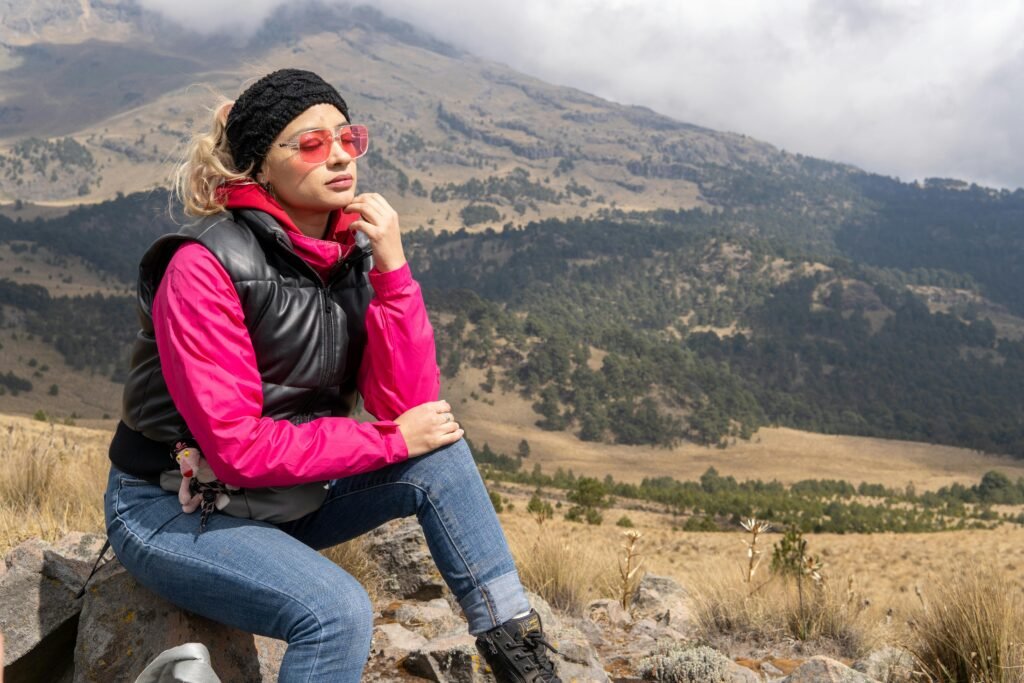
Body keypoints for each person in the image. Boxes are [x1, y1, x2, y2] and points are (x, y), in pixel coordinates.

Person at [100, 68, 562, 682]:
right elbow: (238, 447)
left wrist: (393, 272)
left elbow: (409, 408)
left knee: (441, 455)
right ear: (260, 167)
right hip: (173, 507)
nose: (341, 156)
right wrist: (392, 441)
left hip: (285, 496)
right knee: (336, 612)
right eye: (312, 144)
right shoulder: (202, 265)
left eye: (348, 138)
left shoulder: (349, 255)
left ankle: (523, 660)